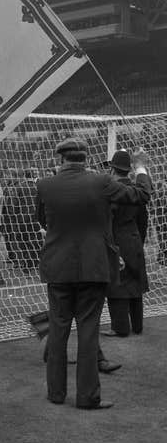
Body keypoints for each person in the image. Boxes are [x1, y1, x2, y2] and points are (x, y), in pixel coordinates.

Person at [36, 138, 152, 410]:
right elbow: (142, 196)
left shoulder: (44, 185)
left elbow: (43, 221)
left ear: (60, 159)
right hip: (93, 267)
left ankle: (56, 393)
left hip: (58, 267)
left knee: (59, 328)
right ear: (86, 159)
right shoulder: (101, 182)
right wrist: (141, 167)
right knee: (88, 331)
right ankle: (88, 397)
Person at [101, 150, 150, 337]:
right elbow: (143, 221)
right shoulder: (137, 190)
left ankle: (120, 327)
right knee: (135, 281)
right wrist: (139, 240)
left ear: (112, 169)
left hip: (115, 240)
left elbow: (107, 222)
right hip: (134, 238)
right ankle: (137, 325)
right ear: (129, 170)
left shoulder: (111, 190)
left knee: (117, 284)